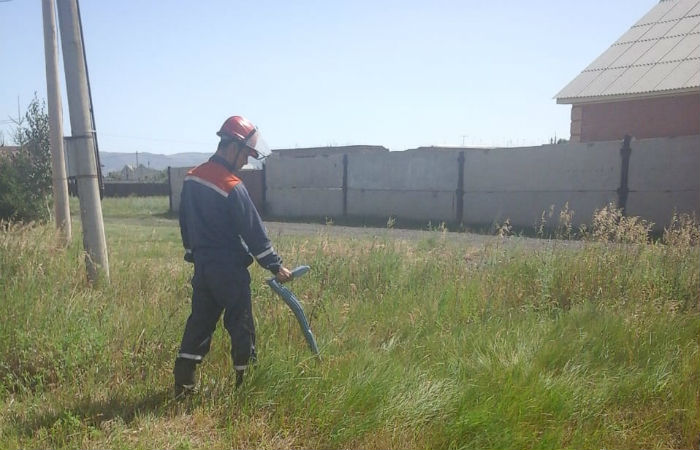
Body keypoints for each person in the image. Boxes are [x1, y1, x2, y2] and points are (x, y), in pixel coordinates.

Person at [174, 115, 292, 398]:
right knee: (241, 328)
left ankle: (182, 388)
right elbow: (254, 232)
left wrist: (193, 254)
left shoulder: (191, 178)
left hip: (203, 269)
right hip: (230, 272)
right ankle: (246, 389)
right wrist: (275, 265)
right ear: (231, 147)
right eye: (245, 155)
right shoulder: (231, 185)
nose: (245, 161)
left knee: (198, 325)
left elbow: (185, 222)